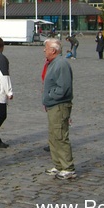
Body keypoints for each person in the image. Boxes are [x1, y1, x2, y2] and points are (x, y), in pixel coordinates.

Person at [42, 38, 76, 180]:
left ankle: (67, 167)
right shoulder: (53, 63)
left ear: (53, 50)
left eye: (46, 48)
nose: (44, 50)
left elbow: (63, 87)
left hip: (59, 105)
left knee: (60, 135)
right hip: (52, 105)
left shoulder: (61, 64)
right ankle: (58, 165)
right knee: (53, 136)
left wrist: (50, 96)